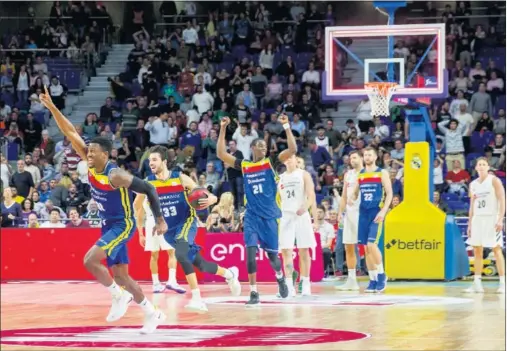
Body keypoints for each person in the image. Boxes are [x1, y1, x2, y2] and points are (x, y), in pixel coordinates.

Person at [39, 87, 167, 334]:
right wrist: (52, 107)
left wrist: (159, 219)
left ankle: (118, 297)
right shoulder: (89, 159)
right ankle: (153, 313)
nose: (88, 154)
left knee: (90, 260)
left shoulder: (116, 174)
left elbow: (149, 188)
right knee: (121, 276)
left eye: (94, 152)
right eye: (88, 151)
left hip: (123, 223)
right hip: (109, 223)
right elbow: (68, 130)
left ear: (106, 155)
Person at [134, 145, 241, 312]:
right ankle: (229, 274)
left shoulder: (180, 178)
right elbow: (137, 207)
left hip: (186, 222)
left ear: (164, 161)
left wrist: (212, 199)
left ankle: (197, 298)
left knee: (181, 253)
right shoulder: (147, 183)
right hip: (168, 231)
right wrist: (144, 225)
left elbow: (205, 193)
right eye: (149, 161)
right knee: (201, 264)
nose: (151, 163)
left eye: (154, 159)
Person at [217, 114, 297, 306]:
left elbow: (293, 149)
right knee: (250, 253)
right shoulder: (244, 165)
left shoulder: (272, 162)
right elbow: (221, 154)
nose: (263, 148)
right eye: (259, 145)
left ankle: (280, 278)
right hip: (251, 215)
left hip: (269, 217)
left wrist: (286, 125)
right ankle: (253, 292)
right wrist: (222, 128)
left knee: (272, 258)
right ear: (252, 148)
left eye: (264, 146)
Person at [352, 147, 393, 293]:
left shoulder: (382, 172)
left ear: (375, 157)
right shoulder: (360, 174)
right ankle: (373, 278)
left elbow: (389, 194)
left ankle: (382, 275)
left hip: (376, 212)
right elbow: (355, 192)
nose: (367, 157)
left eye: (370, 155)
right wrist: (352, 197)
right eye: (365, 155)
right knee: (365, 248)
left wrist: (384, 211)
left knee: (372, 244)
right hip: (363, 213)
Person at [278, 155, 318, 297]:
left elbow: (311, 195)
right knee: (286, 252)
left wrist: (305, 207)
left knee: (303, 251)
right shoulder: (280, 177)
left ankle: (305, 283)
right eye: (286, 158)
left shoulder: (304, 174)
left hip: (301, 215)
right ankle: (289, 285)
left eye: (291, 157)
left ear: (296, 160)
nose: (288, 160)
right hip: (286, 216)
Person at [465, 157, 505, 294]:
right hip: (478, 219)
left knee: (496, 249)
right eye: (479, 164)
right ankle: (477, 283)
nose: (481, 166)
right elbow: (472, 205)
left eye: (484, 164)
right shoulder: (473, 184)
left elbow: (502, 199)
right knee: (477, 250)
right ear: (476, 168)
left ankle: (503, 283)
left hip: (491, 218)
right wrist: (470, 223)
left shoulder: (494, 180)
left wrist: (500, 219)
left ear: (488, 167)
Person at [138, 190, 187, 294]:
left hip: (150, 222)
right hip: (163, 221)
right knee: (172, 252)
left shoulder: (144, 194)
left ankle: (156, 284)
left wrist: (140, 234)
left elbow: (139, 214)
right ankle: (172, 281)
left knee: (154, 255)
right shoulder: (165, 193)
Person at [336, 150, 363, 291]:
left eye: (354, 157)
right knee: (348, 246)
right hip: (350, 214)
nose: (352, 160)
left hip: (363, 213)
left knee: (369, 247)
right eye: (350, 158)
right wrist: (340, 212)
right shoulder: (348, 174)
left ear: (361, 158)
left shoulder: (366, 172)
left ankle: (376, 277)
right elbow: (344, 195)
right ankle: (352, 280)